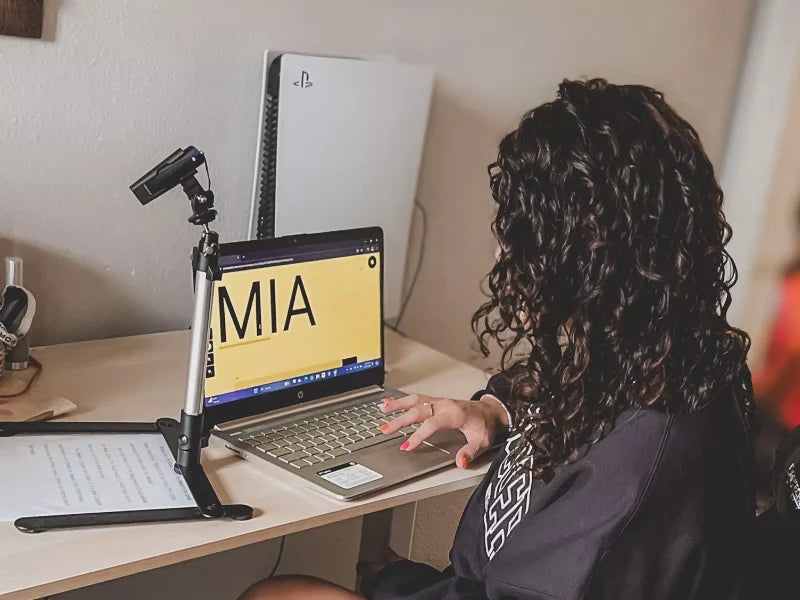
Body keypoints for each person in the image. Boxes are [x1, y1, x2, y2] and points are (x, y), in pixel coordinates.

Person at [239, 79, 756, 600]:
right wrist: (496, 409)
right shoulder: (671, 354)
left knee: (272, 594)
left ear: (579, 259)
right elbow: (571, 384)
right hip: (471, 581)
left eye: (520, 232)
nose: (502, 253)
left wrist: (396, 586)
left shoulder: (631, 481)